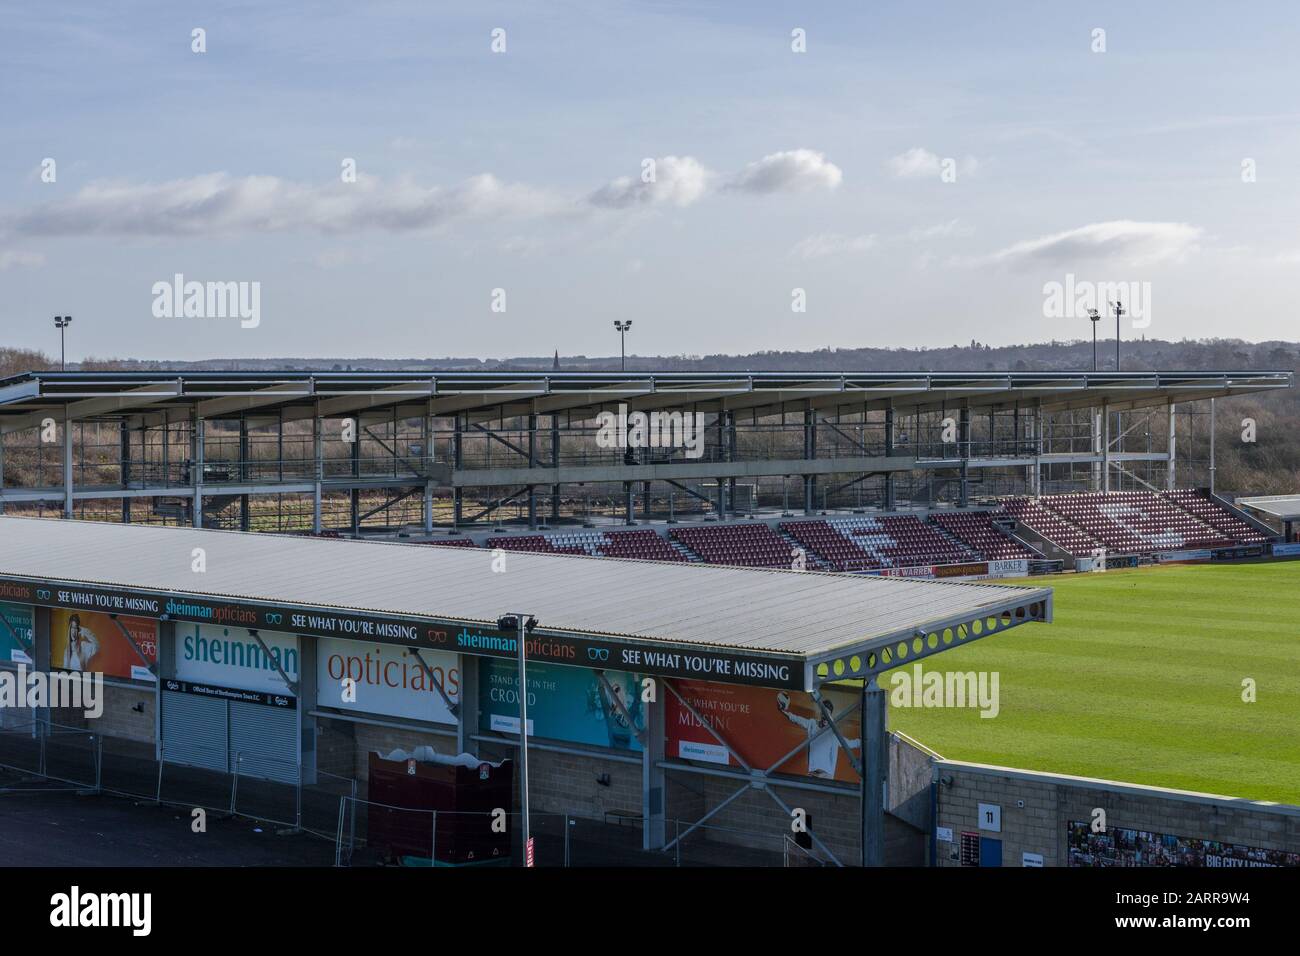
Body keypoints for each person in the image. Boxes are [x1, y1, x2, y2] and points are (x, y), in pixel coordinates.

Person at [776, 694, 860, 778]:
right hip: (813, 773)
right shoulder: (812, 724)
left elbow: (850, 744)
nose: (825, 717)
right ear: (821, 713)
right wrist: (784, 712)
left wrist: (866, 742)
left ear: (831, 716)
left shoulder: (833, 733)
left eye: (828, 714)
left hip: (826, 775)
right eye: (824, 713)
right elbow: (797, 719)